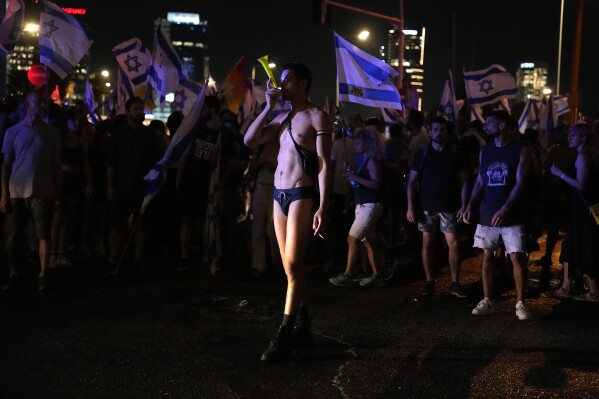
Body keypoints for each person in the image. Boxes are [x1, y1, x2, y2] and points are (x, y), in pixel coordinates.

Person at [244, 62, 333, 362]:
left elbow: (324, 164)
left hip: (301, 195)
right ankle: (304, 324)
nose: (280, 84)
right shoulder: (282, 117)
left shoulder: (317, 115)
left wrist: (323, 203)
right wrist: (267, 107)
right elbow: (249, 139)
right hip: (278, 195)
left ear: (303, 83)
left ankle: (283, 336)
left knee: (293, 266)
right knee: (289, 268)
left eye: (287, 80)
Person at [463, 110, 532, 320]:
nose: (486, 126)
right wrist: (468, 205)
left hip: (512, 215)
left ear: (502, 125)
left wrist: (506, 208)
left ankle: (520, 303)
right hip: (487, 213)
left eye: (490, 122)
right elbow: (481, 182)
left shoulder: (521, 148)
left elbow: (521, 182)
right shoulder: (485, 151)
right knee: (487, 257)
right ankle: (488, 300)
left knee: (516, 258)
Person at [1, 92, 62, 291]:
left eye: (43, 101)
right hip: (16, 190)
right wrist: (4, 194)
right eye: (37, 101)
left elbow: (56, 165)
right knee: (12, 235)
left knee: (43, 233)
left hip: (42, 191)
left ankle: (43, 274)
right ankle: (14, 272)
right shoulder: (13, 131)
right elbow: (6, 165)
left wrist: (57, 192)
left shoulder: (51, 131)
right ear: (27, 104)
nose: (41, 104)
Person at [406, 116, 469, 297]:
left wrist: (464, 204)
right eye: (435, 130)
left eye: (442, 130)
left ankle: (455, 283)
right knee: (427, 243)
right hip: (427, 207)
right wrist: (410, 207)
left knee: (454, 243)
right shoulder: (422, 154)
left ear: (446, 131)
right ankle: (429, 281)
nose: (438, 133)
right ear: (430, 131)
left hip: (449, 206)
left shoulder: (456, 153)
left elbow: (464, 181)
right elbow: (411, 182)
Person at [106, 97, 162, 273]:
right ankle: (113, 259)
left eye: (141, 108)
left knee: (141, 225)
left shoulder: (150, 135)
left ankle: (137, 260)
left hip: (143, 188)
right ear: (128, 111)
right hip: (122, 186)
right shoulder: (118, 135)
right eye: (136, 109)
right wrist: (110, 186)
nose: (139, 112)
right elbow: (111, 164)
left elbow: (156, 161)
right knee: (116, 224)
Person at [329, 127, 385, 287]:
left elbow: (376, 183)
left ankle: (347, 274)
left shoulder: (372, 160)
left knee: (352, 238)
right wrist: (353, 175)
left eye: (359, 142)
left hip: (370, 205)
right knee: (369, 241)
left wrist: (355, 177)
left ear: (367, 143)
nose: (355, 145)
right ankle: (378, 276)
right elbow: (360, 182)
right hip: (364, 205)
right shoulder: (364, 159)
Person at [549, 123, 599, 301]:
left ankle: (592, 292)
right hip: (579, 211)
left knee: (584, 248)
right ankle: (567, 287)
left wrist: (559, 173)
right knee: (571, 247)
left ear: (583, 137)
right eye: (569, 134)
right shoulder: (583, 155)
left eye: (573, 134)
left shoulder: (583, 157)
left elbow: (581, 184)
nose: (569, 137)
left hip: (583, 212)